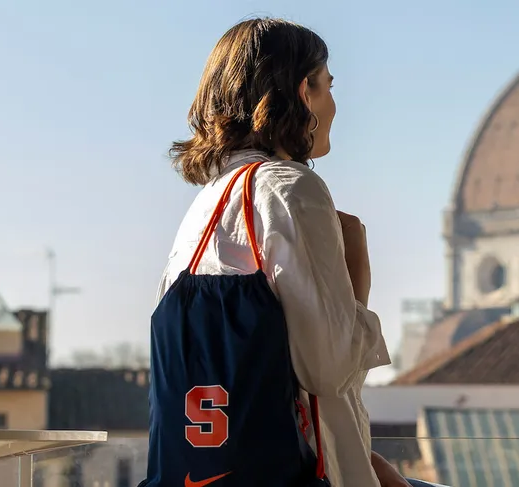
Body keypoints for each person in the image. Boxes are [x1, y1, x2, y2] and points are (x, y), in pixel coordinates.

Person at [151, 18, 410, 487]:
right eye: (328, 86)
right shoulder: (292, 189)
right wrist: (357, 265)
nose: (335, 105)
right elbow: (328, 369)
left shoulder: (207, 204)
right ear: (302, 92)